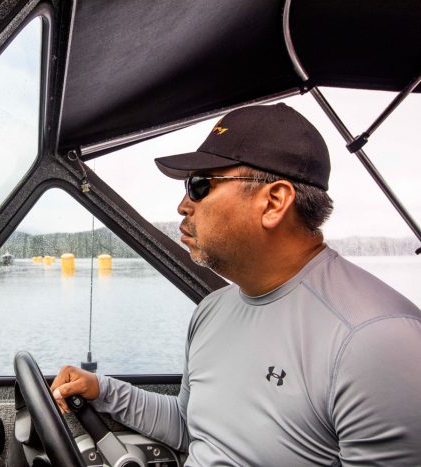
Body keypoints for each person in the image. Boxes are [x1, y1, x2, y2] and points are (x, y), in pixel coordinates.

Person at [51, 103, 421, 465]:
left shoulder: (376, 341)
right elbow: (189, 425)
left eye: (199, 185)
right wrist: (103, 391)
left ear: (274, 202)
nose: (182, 205)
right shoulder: (213, 309)